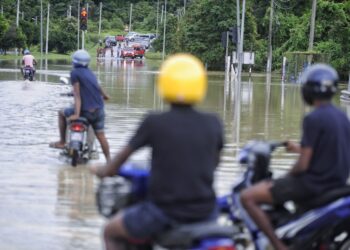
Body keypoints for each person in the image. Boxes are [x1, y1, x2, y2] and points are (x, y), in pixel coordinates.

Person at [90, 54, 224, 250]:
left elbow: (118, 162)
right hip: (207, 212)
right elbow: (214, 164)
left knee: (110, 231)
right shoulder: (214, 123)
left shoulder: (154, 122)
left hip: (164, 212)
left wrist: (101, 170)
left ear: (164, 84)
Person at [240, 64, 350, 250]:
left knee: (248, 196)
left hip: (314, 184)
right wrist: (298, 148)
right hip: (336, 183)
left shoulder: (313, 119)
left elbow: (304, 165)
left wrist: (286, 177)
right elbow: (328, 149)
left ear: (308, 90)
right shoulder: (342, 117)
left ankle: (277, 245)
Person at [49, 50, 111, 163]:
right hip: (99, 110)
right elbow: (98, 86)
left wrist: (76, 114)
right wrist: (105, 96)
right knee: (101, 136)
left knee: (61, 113)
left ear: (74, 61)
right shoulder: (90, 72)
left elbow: (77, 95)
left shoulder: (75, 73)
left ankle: (62, 141)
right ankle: (110, 162)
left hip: (85, 111)